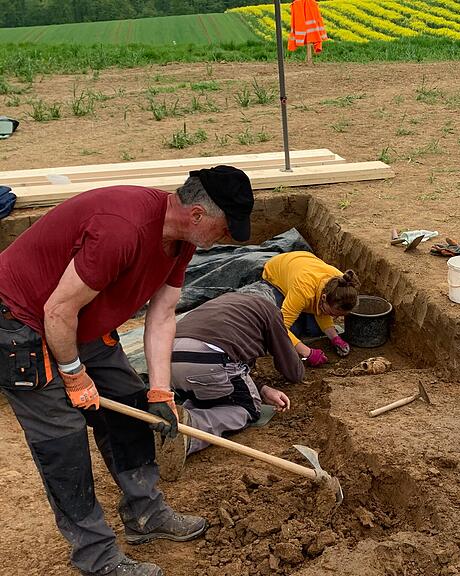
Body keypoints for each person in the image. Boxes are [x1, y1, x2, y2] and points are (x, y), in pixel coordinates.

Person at [0, 165, 254, 576]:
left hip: (76, 321)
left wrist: (159, 392)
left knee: (130, 406)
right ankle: (97, 559)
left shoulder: (182, 240)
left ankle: (145, 515)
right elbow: (57, 310)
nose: (227, 238)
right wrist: (74, 374)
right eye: (226, 228)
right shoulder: (123, 228)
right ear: (197, 214)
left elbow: (163, 314)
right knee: (64, 443)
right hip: (18, 321)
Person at [159, 291, 304, 477]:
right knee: (249, 409)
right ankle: (191, 431)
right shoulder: (270, 311)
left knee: (209, 398)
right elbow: (292, 370)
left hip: (168, 360)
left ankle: (171, 422)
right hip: (208, 361)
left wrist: (262, 388)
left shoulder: (222, 304)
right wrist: (302, 364)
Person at [261, 251, 360, 367]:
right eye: (332, 313)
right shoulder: (302, 290)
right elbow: (279, 327)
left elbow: (324, 312)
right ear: (323, 298)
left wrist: (335, 337)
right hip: (277, 271)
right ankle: (300, 309)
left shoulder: (343, 284)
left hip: (306, 264)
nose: (335, 318)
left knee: (315, 330)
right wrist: (307, 352)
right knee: (293, 330)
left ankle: (302, 309)